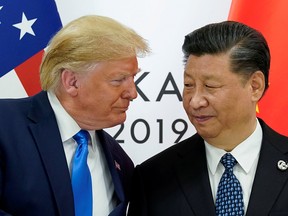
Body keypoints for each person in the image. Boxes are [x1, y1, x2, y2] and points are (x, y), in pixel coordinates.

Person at [127, 20, 288, 216]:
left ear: (255, 86)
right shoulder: (154, 178)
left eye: (210, 86)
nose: (195, 102)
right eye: (188, 85)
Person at [0, 15, 150, 216]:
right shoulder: (4, 126)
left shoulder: (120, 161)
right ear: (71, 82)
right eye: (118, 80)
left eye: (133, 78)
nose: (132, 93)